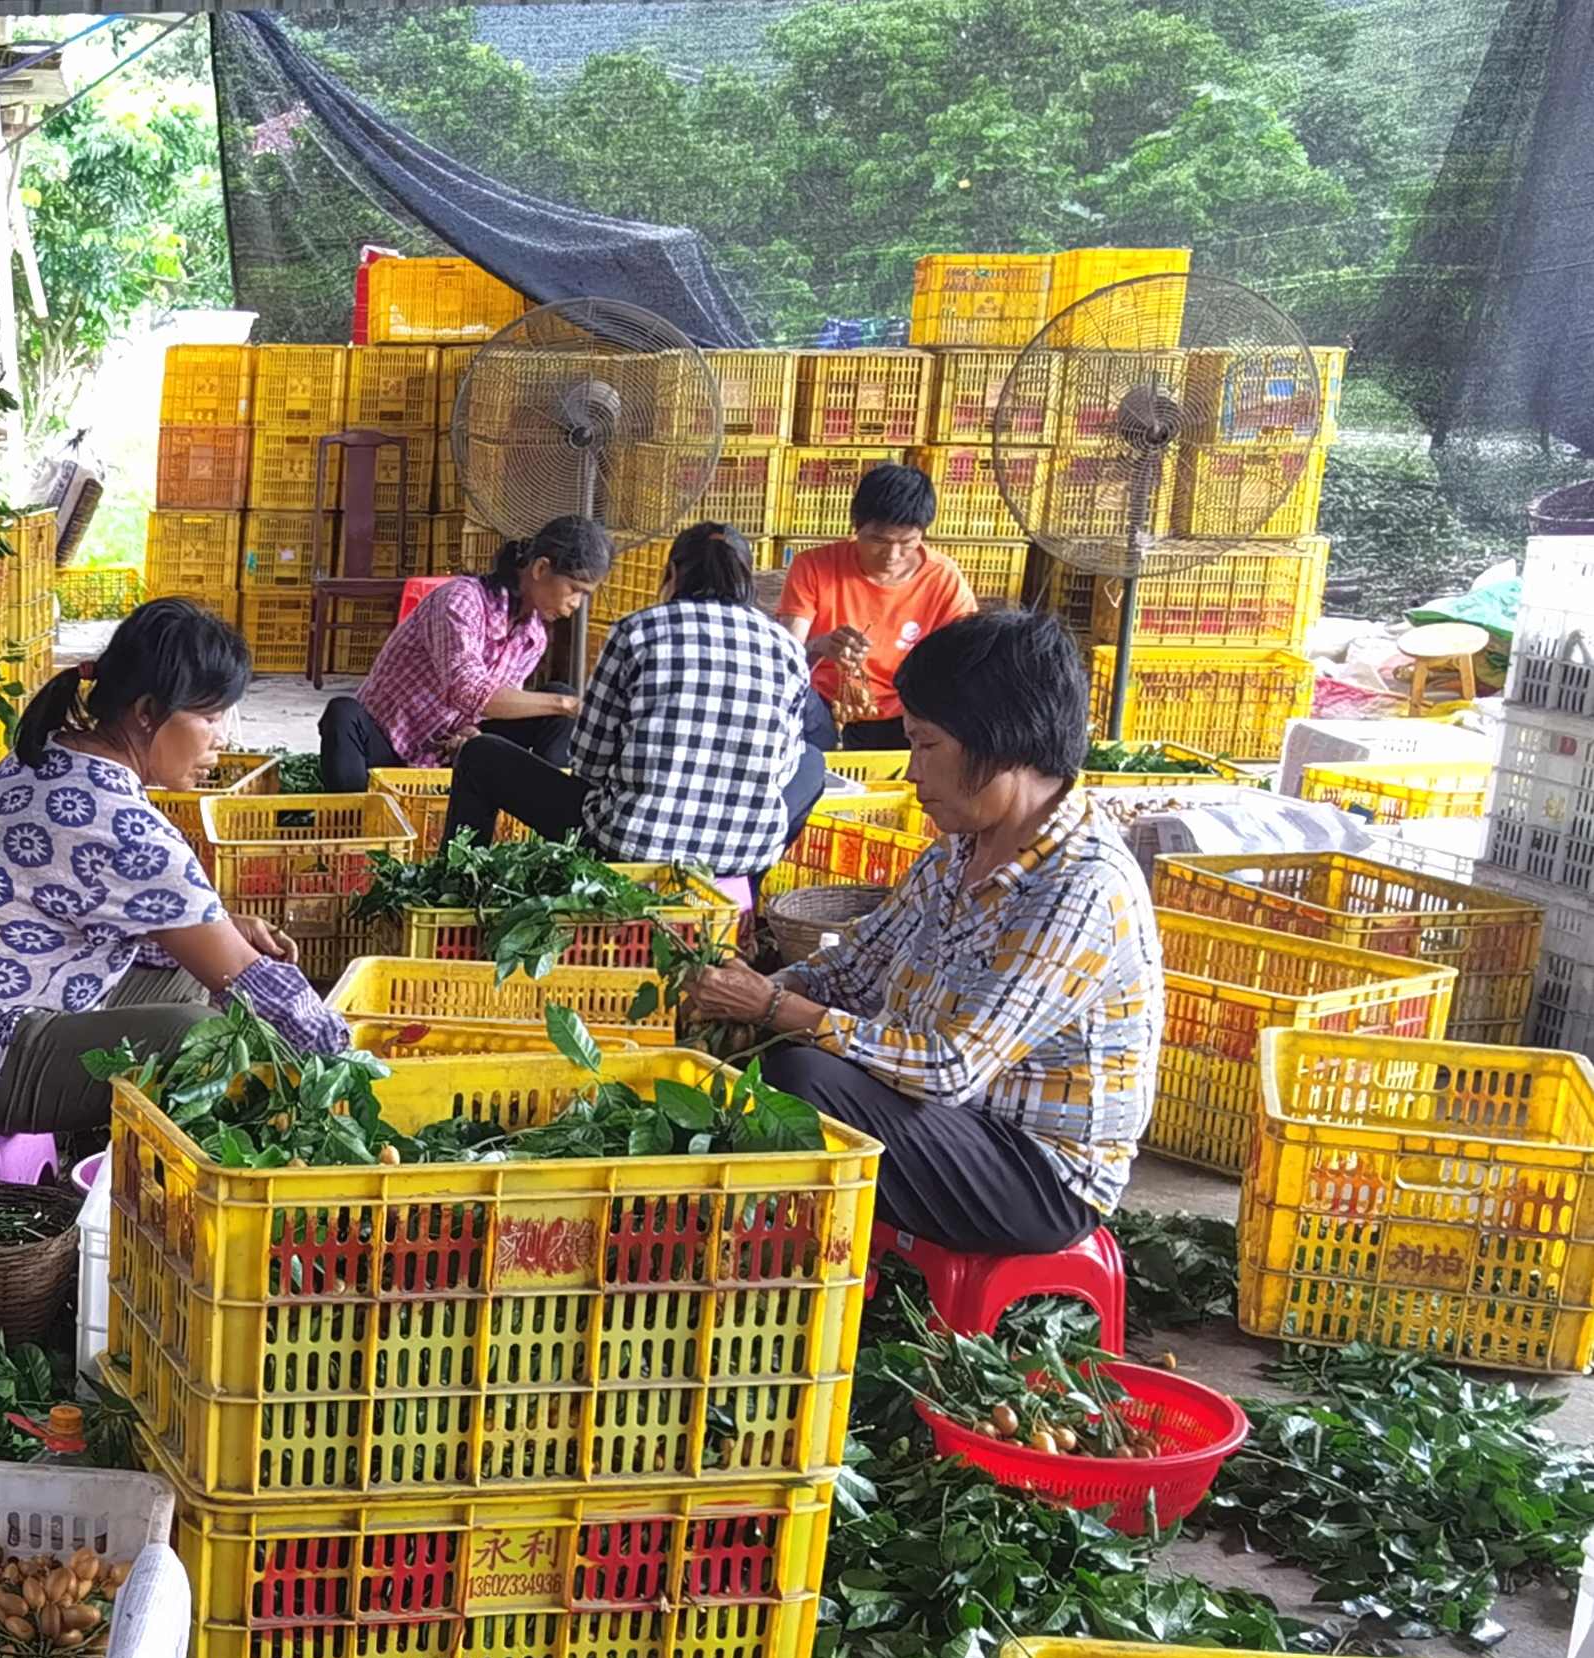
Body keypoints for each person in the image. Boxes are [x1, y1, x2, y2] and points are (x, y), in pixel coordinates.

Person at [681, 607, 1160, 1255]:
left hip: (1039, 1176)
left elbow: (950, 1069)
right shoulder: (958, 851)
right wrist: (740, 993)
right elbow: (851, 970)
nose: (911, 772)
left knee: (799, 1080)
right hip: (958, 1123)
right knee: (759, 1063)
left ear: (1002, 742)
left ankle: (769, 1260)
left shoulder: (1081, 886)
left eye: (926, 745)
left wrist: (776, 1008)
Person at [0, 598, 349, 1139]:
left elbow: (92, 913)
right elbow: (250, 981)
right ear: (148, 711)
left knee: (185, 968)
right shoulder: (124, 828)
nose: (222, 739)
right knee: (200, 1038)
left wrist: (220, 929)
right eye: (208, 716)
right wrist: (352, 1065)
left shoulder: (43, 756)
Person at [452, 523, 826, 884]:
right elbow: (781, 769)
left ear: (674, 573)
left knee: (479, 755)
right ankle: (746, 898)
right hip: (740, 855)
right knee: (813, 762)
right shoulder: (788, 650)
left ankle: (457, 891)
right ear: (746, 577)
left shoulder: (639, 631)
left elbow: (587, 762)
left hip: (627, 845)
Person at [316, 514, 609, 789]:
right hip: (385, 746)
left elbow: (494, 707)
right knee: (343, 714)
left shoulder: (533, 637)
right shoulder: (462, 600)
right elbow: (468, 692)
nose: (576, 604)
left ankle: (540, 819)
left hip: (444, 753)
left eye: (585, 595)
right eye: (575, 589)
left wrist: (472, 734)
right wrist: (566, 703)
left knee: (557, 715)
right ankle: (355, 820)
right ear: (541, 568)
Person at [777, 463, 978, 752]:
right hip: (823, 709)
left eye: (906, 542)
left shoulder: (943, 578)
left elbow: (964, 662)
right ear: (856, 527)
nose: (892, 555)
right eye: (878, 540)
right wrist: (821, 645)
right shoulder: (814, 567)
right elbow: (786, 661)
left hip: (907, 713)